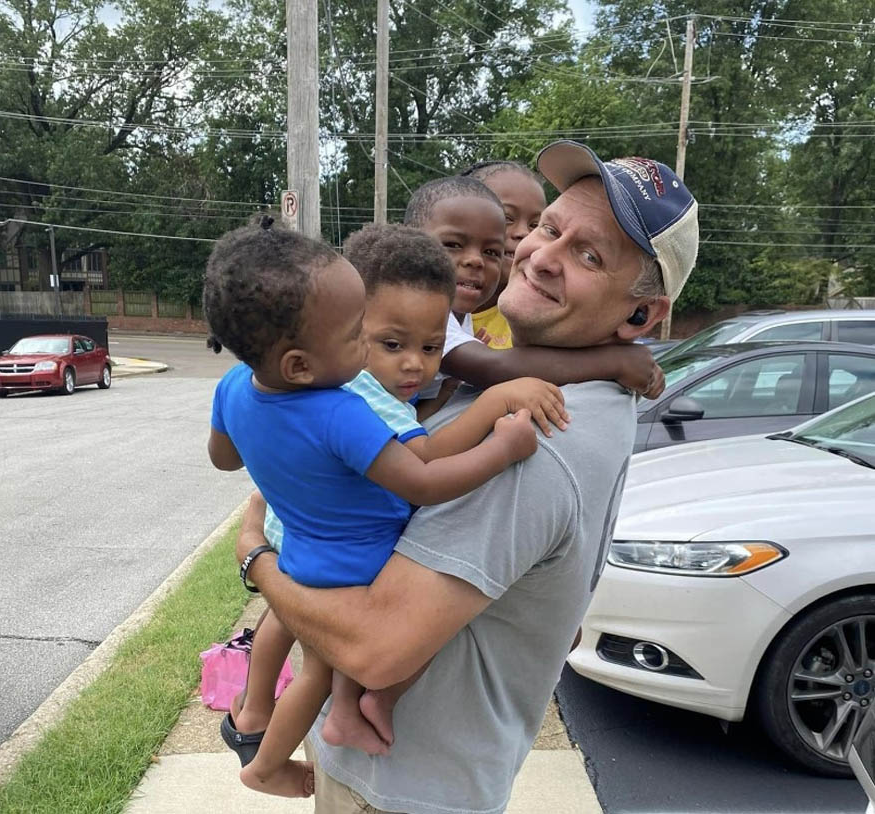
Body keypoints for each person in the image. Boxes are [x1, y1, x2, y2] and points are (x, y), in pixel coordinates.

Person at [235, 141, 700, 814]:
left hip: (395, 792)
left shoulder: (539, 434)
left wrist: (255, 555)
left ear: (639, 317)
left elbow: (372, 648)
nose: (541, 255)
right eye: (547, 229)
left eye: (588, 255)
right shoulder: (528, 378)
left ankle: (257, 724)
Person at [206, 220, 566, 797]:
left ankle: (315, 728)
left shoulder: (233, 385)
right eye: (354, 336)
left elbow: (225, 457)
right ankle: (266, 766)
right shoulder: (340, 412)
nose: (364, 345)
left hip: (301, 550)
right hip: (358, 564)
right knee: (366, 654)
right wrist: (503, 448)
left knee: (322, 667)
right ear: (300, 363)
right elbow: (421, 482)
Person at [405, 174, 666, 401]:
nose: (475, 261)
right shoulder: (421, 312)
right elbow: (493, 368)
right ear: (409, 243)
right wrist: (614, 362)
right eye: (452, 245)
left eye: (491, 252)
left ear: (640, 312)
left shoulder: (454, 318)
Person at [461, 160, 547, 350]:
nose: (524, 233)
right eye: (506, 218)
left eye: (535, 225)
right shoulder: (431, 303)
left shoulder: (534, 315)